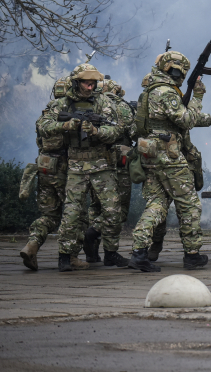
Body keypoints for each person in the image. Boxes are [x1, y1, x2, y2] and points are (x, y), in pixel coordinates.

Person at [128, 51, 211, 272]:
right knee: (189, 204)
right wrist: (199, 97)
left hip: (152, 155)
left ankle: (139, 251)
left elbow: (177, 118)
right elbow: (186, 119)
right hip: (168, 155)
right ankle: (192, 254)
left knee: (157, 204)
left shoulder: (153, 90)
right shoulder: (166, 92)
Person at [37, 64, 127, 272]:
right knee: (72, 213)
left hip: (101, 164)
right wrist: (65, 126)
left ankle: (111, 253)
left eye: (93, 83)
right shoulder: (62, 104)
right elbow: (43, 126)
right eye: (87, 83)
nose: (90, 87)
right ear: (77, 82)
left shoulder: (103, 101)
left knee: (113, 210)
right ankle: (65, 256)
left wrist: (96, 131)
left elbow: (115, 131)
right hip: (76, 165)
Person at [19, 77, 88, 271]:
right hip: (63, 168)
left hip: (44, 166)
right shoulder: (70, 114)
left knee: (49, 215)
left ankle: (31, 246)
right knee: (77, 214)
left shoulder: (46, 113)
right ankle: (72, 255)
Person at [84, 77, 136, 263]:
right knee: (117, 209)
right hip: (118, 163)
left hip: (94, 162)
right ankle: (107, 248)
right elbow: (133, 131)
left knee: (96, 206)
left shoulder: (90, 104)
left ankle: (92, 252)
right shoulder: (119, 105)